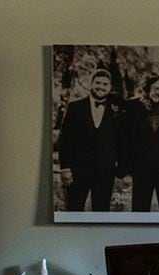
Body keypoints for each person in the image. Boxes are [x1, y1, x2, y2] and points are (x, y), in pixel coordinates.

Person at [55, 67, 123, 212]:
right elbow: (65, 140)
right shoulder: (75, 107)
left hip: (105, 172)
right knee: (74, 210)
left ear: (110, 87)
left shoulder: (117, 109)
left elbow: (123, 140)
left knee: (102, 212)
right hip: (78, 171)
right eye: (98, 83)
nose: (101, 87)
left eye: (105, 84)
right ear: (91, 84)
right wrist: (65, 168)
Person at [124, 76, 159, 213]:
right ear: (147, 90)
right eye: (155, 89)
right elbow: (126, 137)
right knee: (140, 210)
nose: (158, 92)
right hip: (142, 169)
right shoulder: (134, 108)